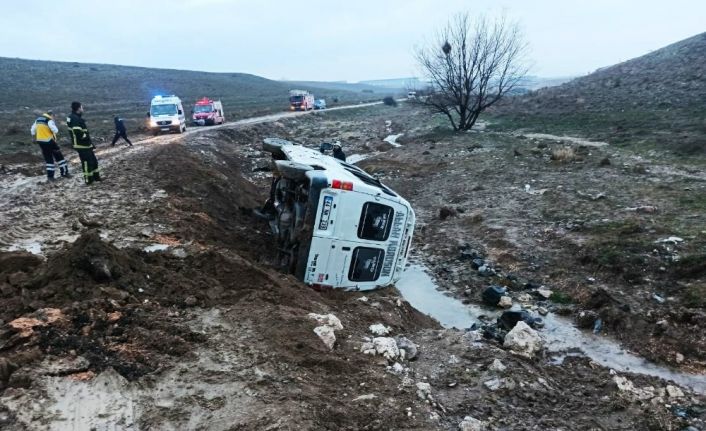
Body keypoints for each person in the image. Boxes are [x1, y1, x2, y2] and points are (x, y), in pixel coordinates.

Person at [67, 102, 101, 184]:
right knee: (87, 162)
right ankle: (88, 180)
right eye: (82, 107)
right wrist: (85, 137)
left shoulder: (75, 117)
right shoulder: (75, 118)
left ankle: (96, 178)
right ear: (78, 108)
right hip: (81, 145)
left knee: (93, 161)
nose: (83, 109)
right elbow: (77, 131)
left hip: (86, 144)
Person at [30, 111, 70, 181]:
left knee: (49, 159)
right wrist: (53, 128)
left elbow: (32, 130)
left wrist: (35, 136)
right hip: (50, 141)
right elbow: (55, 130)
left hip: (41, 142)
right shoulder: (49, 120)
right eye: (54, 117)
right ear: (52, 115)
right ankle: (64, 173)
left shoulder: (38, 119)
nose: (54, 118)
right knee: (59, 157)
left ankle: (50, 177)